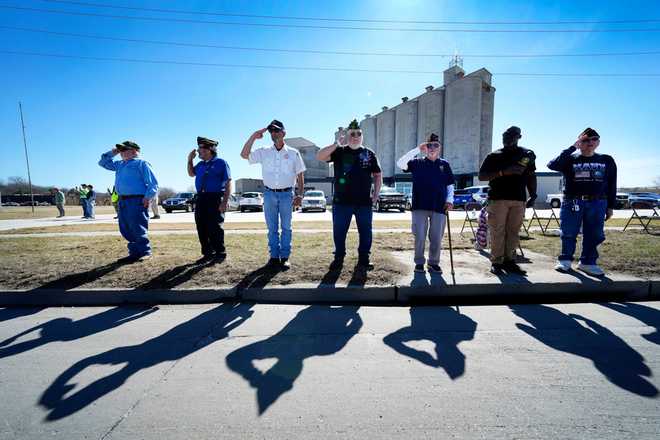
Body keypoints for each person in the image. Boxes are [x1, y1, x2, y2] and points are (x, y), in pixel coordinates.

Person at [547, 128, 616, 276]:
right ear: (579, 142)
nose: (590, 142)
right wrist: (572, 148)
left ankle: (587, 262)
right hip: (573, 201)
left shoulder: (606, 160)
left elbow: (612, 183)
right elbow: (552, 165)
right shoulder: (571, 159)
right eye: (585, 140)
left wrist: (610, 206)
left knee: (595, 234)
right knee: (569, 232)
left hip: (598, 203)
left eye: (594, 139)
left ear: (598, 141)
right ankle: (565, 260)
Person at [317, 119, 382, 270]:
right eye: (352, 134)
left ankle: (364, 259)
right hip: (341, 202)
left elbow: (378, 175)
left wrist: (376, 194)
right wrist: (335, 144)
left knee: (366, 232)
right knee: (339, 232)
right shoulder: (339, 151)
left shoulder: (369, 153)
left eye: (358, 133)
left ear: (362, 136)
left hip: (364, 202)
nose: (355, 136)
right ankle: (339, 258)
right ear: (347, 135)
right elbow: (320, 156)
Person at [241, 120, 305, 270]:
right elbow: (244, 155)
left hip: (286, 195)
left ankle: (285, 258)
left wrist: (299, 195)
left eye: (277, 131)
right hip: (269, 194)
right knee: (272, 228)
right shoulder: (264, 151)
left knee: (286, 227)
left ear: (284, 133)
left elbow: (300, 174)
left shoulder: (293, 153)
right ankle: (274, 257)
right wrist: (253, 136)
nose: (274, 134)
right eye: (271, 131)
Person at [478, 126, 537, 275]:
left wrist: (533, 194)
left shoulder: (527, 154)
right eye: (505, 135)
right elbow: (482, 176)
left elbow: (531, 175)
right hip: (498, 199)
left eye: (511, 135)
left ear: (519, 137)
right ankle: (497, 262)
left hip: (518, 199)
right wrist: (503, 172)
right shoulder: (494, 155)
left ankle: (509, 261)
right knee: (498, 231)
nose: (507, 138)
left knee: (513, 232)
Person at [396, 133, 455, 273]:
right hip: (419, 206)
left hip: (439, 206)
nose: (432, 148)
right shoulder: (417, 163)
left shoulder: (444, 164)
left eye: (435, 145)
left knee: (436, 237)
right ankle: (419, 263)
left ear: (439, 148)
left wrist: (450, 200)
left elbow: (450, 185)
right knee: (420, 237)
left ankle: (433, 263)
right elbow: (400, 163)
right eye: (429, 145)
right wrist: (417, 149)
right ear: (425, 147)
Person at [98, 140, 159, 262]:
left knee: (138, 226)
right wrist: (113, 152)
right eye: (120, 151)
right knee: (125, 227)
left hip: (137, 200)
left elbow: (153, 184)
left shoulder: (142, 163)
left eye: (124, 150)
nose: (122, 153)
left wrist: (147, 197)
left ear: (134, 151)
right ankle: (134, 252)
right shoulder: (120, 164)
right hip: (123, 200)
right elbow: (103, 163)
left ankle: (145, 252)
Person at [187, 136, 232, 262]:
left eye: (200, 148)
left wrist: (225, 201)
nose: (198, 151)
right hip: (201, 198)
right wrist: (189, 160)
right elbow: (191, 173)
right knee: (201, 226)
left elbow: (228, 182)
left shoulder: (221, 163)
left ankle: (220, 253)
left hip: (215, 197)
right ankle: (207, 253)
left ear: (209, 149)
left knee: (215, 227)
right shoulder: (200, 164)